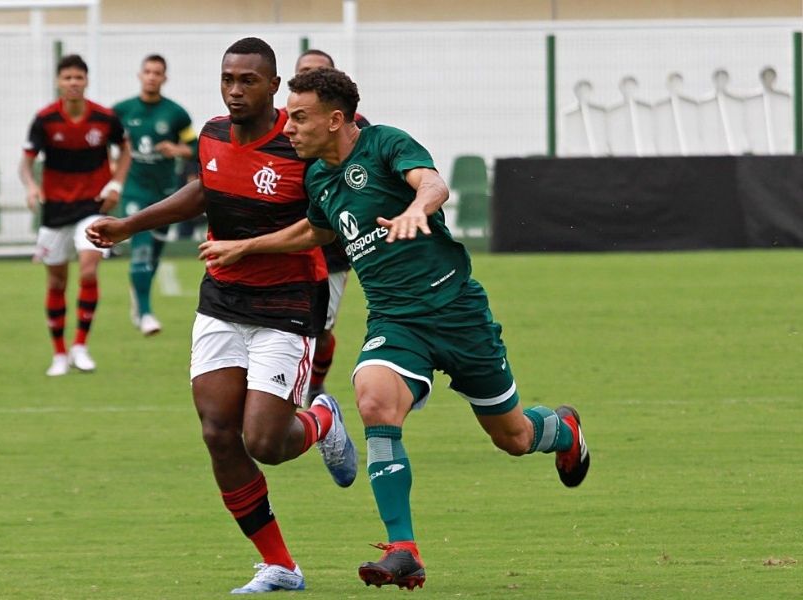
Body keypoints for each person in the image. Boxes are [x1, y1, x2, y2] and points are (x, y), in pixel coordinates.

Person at [197, 67, 591, 591]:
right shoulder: (317, 176)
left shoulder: (384, 143)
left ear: (335, 119)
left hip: (457, 312)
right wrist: (247, 247)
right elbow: (314, 229)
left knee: (514, 437)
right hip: (395, 320)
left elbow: (434, 183)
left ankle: (563, 430)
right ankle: (403, 548)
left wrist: (416, 210)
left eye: (299, 117)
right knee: (374, 400)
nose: (287, 128)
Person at [86, 38, 359, 594]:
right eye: (228, 79)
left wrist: (247, 248)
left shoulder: (297, 144)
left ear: (274, 86)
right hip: (222, 304)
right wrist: (128, 224)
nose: (236, 90)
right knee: (217, 432)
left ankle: (321, 421)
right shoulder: (211, 133)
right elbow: (205, 190)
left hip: (286, 306)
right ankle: (280, 564)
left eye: (248, 81)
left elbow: (322, 228)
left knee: (265, 442)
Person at [20, 54, 130, 377]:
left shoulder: (105, 118)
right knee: (56, 280)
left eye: (78, 78)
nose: (73, 83)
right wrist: (30, 186)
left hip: (92, 207)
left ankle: (80, 346)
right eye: (67, 78)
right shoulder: (45, 120)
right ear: (58, 82)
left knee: (88, 269)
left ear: (86, 81)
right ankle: (59, 353)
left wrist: (116, 185)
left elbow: (126, 150)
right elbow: (25, 162)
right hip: (55, 209)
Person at [293, 49, 370, 403]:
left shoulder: (360, 131)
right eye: (304, 72)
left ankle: (316, 383)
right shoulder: (281, 129)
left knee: (320, 328)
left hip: (332, 246)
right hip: (288, 239)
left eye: (318, 73)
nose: (310, 78)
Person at [113, 54, 197, 336]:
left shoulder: (176, 114)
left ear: (164, 78)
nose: (151, 76)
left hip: (165, 193)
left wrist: (177, 151)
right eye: (147, 71)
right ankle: (147, 313)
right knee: (142, 247)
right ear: (140, 75)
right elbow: (104, 140)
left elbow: (195, 147)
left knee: (154, 253)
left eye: (157, 72)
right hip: (134, 191)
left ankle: (139, 298)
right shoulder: (122, 110)